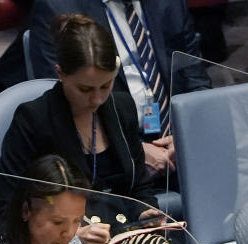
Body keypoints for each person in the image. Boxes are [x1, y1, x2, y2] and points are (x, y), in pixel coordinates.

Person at [0, 15, 202, 244]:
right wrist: (71, 235)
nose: (96, 98)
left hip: (121, 242)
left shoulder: (119, 107)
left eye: (105, 86)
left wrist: (146, 213)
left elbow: (138, 188)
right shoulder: (34, 121)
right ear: (60, 73)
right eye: (85, 89)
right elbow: (4, 215)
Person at [27, 0, 212, 179]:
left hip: (181, 142)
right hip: (113, 155)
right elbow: (63, 101)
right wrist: (132, 150)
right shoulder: (56, 6)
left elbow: (194, 75)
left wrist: (187, 134)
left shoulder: (168, 3)